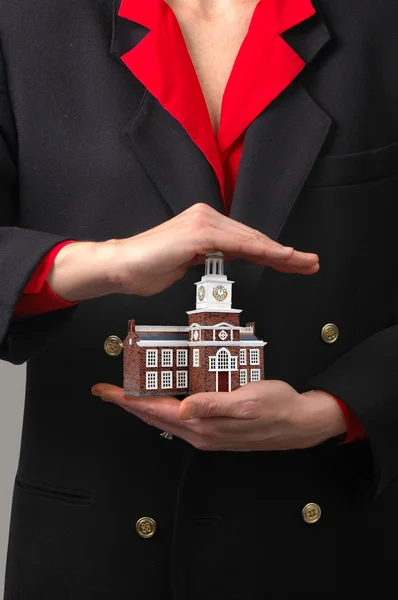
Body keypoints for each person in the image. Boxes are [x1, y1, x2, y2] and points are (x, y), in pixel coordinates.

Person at [0, 0, 397, 598]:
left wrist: (342, 408)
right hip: (96, 546)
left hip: (333, 537)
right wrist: (96, 263)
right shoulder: (21, 18)